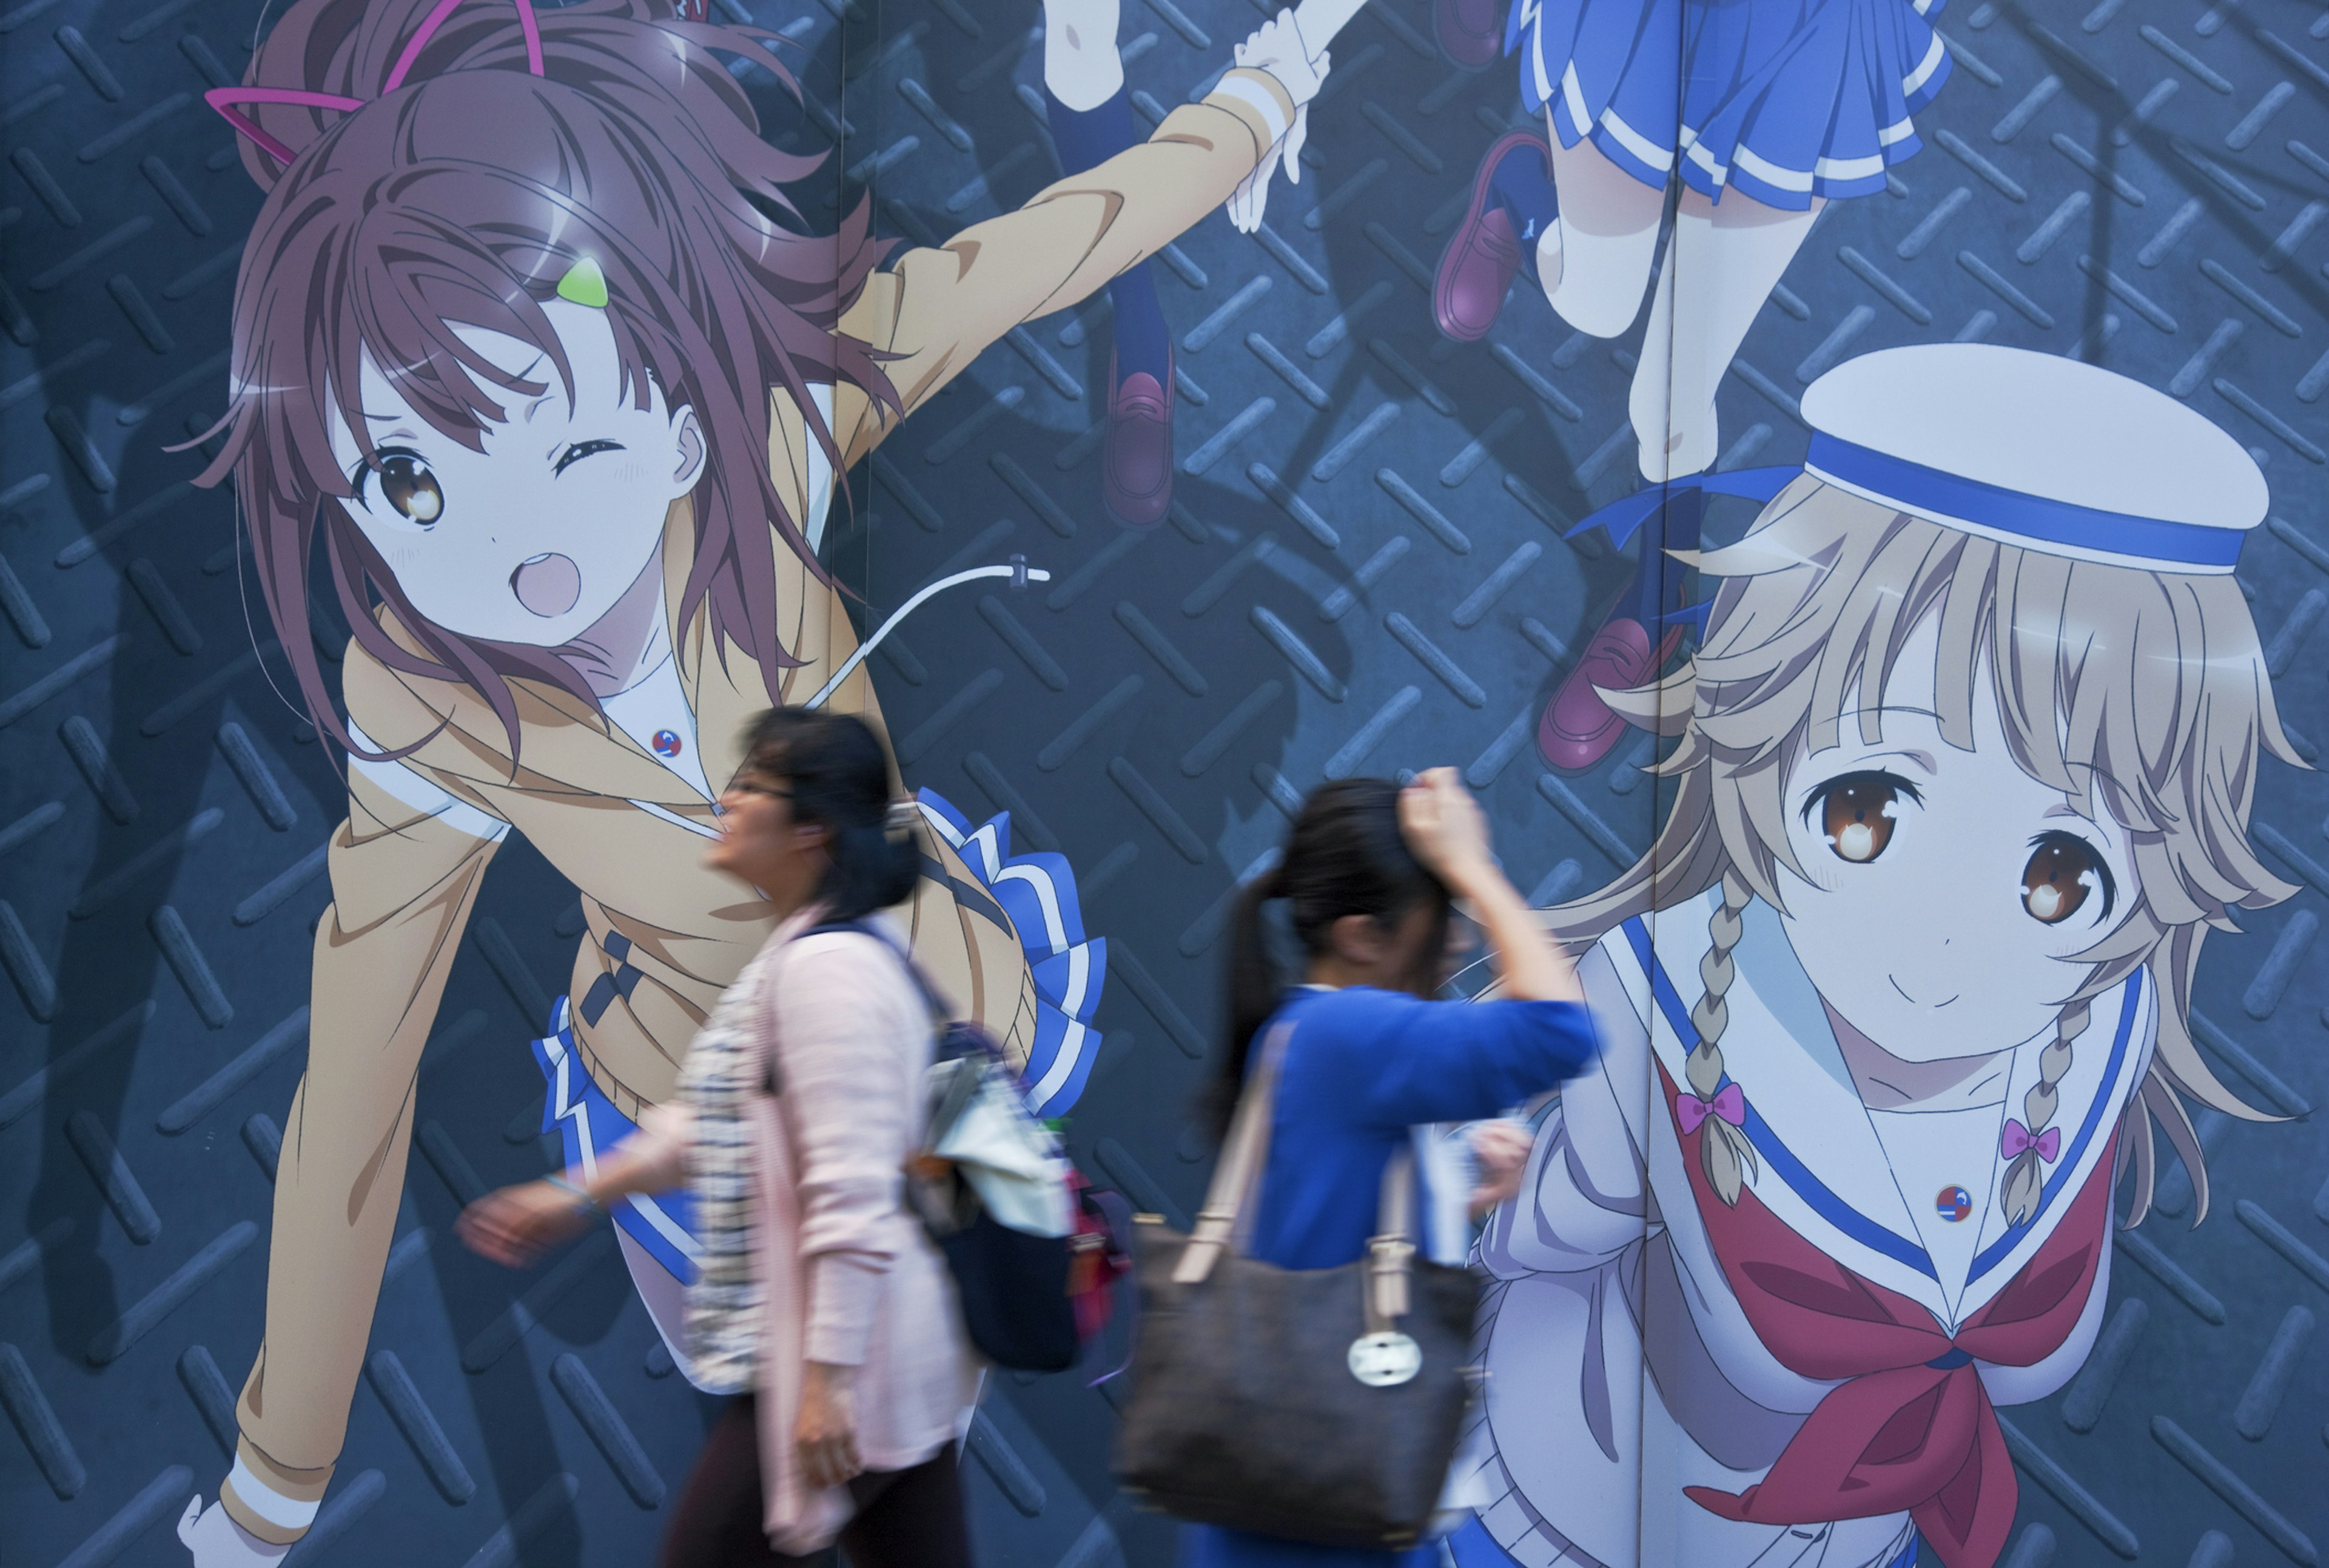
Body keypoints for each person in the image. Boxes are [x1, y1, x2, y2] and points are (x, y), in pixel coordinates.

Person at [170, 0, 1349, 1555]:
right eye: (404, 477)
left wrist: (1264, 93)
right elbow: (354, 1084)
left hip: (927, 1024)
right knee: (771, 1404)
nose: (513, 555)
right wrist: (276, 1479)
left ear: (664, 396)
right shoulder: (427, 699)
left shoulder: (776, 432)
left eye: (565, 431)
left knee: (1033, 1306)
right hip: (697, 1100)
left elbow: (1055, 240)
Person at [1454, 344, 2302, 1568]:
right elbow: (1543, 1232)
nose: (1948, 946)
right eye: (1868, 810)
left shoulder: (2102, 1014)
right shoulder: (1652, 995)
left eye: (2059, 874)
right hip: (1575, 1510)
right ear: (1762, 740)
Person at [459, 707, 979, 1565]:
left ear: (810, 828)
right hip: (881, 1351)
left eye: (752, 785)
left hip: (849, 1358)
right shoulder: (803, 957)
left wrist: (826, 1382)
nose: (725, 799)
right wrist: (574, 1195)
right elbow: (715, 1131)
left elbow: (851, 1194)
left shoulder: (827, 972)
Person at [1428, 0, 1951, 772]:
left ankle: (1657, 608)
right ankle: (1522, 188)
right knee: (1596, 305)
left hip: (1810, 32)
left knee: (1669, 400)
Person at [1183, 770, 1601, 1567]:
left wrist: (1454, 1196)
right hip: (1325, 1507)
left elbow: (1325, 1232)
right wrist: (1473, 866)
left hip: (1302, 1493)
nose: (1461, 937)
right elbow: (1561, 1028)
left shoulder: (1309, 1033)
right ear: (1360, 935)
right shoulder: (1347, 1033)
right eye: (1441, 913)